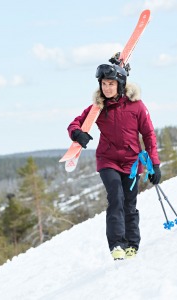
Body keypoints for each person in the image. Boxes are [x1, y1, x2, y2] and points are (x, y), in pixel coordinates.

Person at [67, 62, 161, 260]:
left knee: (129, 203)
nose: (107, 88)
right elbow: (76, 123)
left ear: (119, 83)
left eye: (111, 83)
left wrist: (155, 164)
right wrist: (77, 133)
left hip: (132, 162)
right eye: (103, 84)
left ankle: (132, 245)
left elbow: (149, 134)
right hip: (108, 160)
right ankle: (117, 244)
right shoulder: (97, 108)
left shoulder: (136, 106)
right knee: (115, 197)